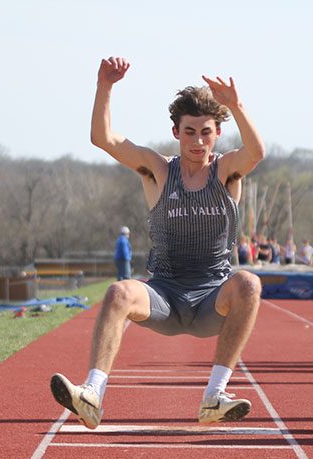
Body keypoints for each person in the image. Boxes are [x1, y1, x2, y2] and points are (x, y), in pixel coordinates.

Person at [49, 56, 265, 429]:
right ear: (175, 132)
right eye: (190, 131)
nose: (198, 141)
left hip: (212, 299)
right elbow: (104, 139)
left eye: (206, 132)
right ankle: (92, 393)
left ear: (217, 134)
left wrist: (236, 105)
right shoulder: (158, 170)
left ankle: (215, 395)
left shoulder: (227, 171)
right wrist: (105, 86)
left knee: (248, 282)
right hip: (164, 295)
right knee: (118, 292)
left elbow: (256, 153)